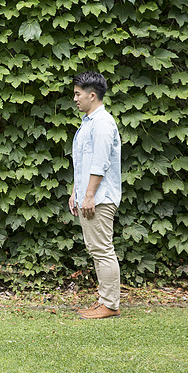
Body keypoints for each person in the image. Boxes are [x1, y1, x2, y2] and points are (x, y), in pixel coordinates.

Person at [69, 71, 123, 319]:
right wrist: (75, 193)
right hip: (89, 196)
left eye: (78, 94)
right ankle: (104, 300)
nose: (75, 99)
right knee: (97, 249)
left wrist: (88, 196)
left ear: (92, 95)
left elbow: (100, 163)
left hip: (99, 199)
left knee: (102, 250)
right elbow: (82, 162)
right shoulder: (89, 122)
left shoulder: (102, 123)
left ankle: (110, 305)